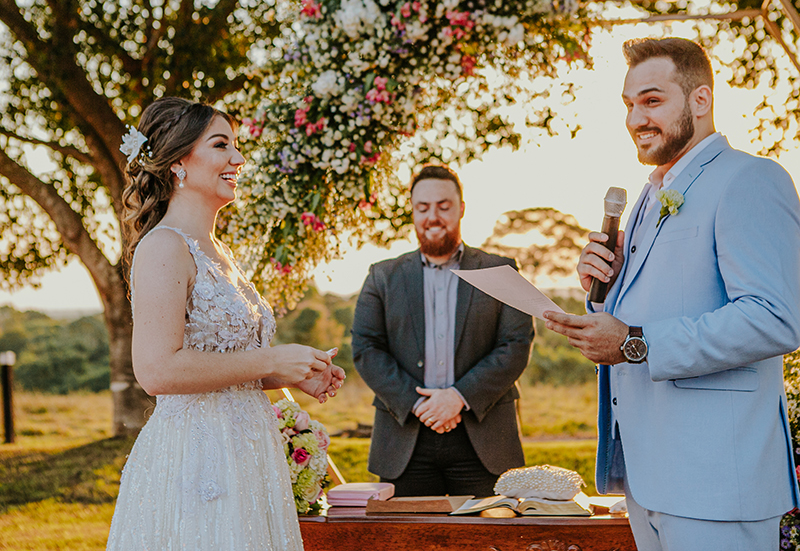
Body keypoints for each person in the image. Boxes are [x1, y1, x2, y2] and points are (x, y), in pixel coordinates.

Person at [545, 38, 800, 550]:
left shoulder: (750, 179)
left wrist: (634, 342)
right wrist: (605, 292)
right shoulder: (646, 196)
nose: (635, 118)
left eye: (652, 100)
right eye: (629, 104)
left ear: (700, 100)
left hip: (717, 485)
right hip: (648, 478)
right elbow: (654, 309)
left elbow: (776, 317)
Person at [106, 97, 344, 550]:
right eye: (221, 145)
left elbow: (228, 365)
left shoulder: (219, 251)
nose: (238, 158)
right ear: (179, 161)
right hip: (197, 462)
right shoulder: (164, 247)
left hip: (250, 453)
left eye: (236, 146)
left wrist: (293, 372)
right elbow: (157, 371)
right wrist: (270, 358)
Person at [352, 164, 533, 497]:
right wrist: (419, 404)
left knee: (490, 545)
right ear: (412, 211)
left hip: (485, 439)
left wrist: (458, 397)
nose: (432, 217)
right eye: (423, 208)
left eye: (443, 206)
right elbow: (366, 347)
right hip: (404, 440)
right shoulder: (382, 276)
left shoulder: (501, 270)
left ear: (461, 208)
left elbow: (516, 344)